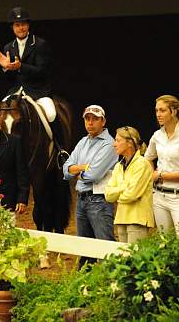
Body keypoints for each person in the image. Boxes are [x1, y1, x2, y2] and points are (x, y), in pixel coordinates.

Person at [0, 7, 65, 146]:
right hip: (16, 91)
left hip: (38, 91)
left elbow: (42, 71)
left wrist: (20, 67)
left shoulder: (39, 44)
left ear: (28, 25)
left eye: (24, 24)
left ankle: (61, 150)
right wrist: (6, 68)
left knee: (51, 114)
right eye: (17, 25)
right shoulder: (8, 47)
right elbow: (9, 80)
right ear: (12, 27)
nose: (21, 28)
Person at [63, 105, 118, 266]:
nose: (90, 122)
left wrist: (78, 171)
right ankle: (86, 287)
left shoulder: (109, 144)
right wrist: (82, 167)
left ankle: (112, 286)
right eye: (87, 118)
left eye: (95, 119)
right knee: (85, 249)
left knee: (106, 248)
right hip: (82, 200)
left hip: (98, 201)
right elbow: (66, 169)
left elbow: (93, 174)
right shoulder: (83, 141)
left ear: (103, 121)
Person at [144, 95, 179, 236]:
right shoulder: (157, 135)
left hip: (178, 198)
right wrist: (152, 173)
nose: (158, 114)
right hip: (159, 196)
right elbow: (148, 158)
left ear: (173, 111)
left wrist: (159, 175)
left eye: (162, 110)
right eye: (156, 111)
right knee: (164, 241)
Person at [105, 126, 155, 244]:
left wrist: (117, 193)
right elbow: (108, 195)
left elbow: (131, 195)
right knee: (124, 260)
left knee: (135, 258)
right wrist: (124, 188)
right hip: (121, 218)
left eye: (117, 141)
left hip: (138, 219)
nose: (114, 144)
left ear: (129, 143)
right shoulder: (118, 166)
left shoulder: (142, 164)